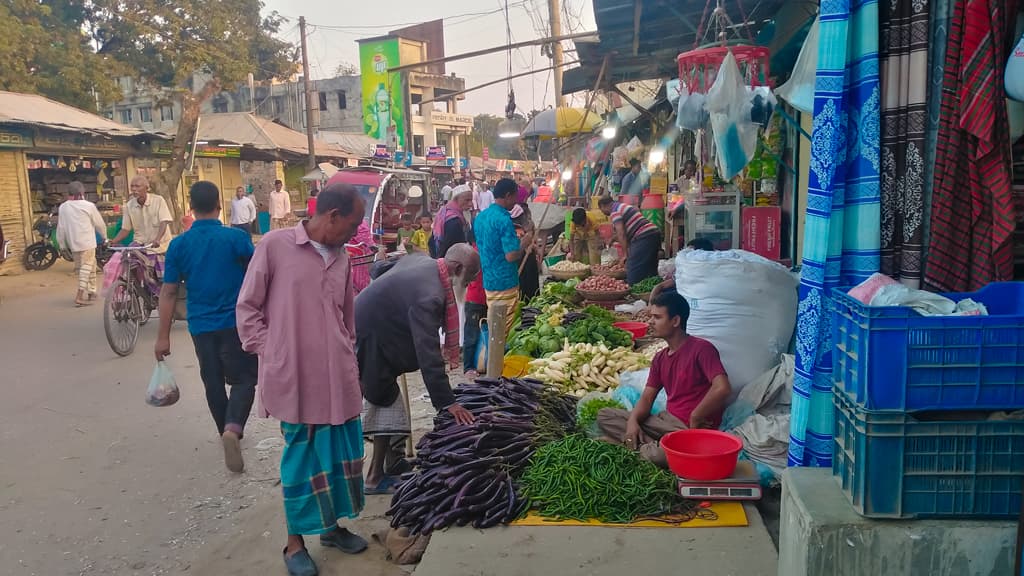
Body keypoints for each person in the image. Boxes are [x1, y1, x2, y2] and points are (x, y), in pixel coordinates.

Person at [236, 183, 369, 576]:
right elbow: (247, 307)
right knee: (301, 459)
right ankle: (294, 544)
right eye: (353, 223)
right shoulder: (276, 246)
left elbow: (347, 317)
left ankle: (330, 528)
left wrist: (349, 352)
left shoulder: (343, 257)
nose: (355, 231)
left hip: (337, 376)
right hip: (293, 377)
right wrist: (270, 349)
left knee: (340, 455)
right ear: (331, 216)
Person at [355, 245, 480, 493]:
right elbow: (429, 355)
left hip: (378, 328)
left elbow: (380, 268)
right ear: (457, 269)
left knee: (389, 399)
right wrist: (448, 403)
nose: (466, 287)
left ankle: (394, 463)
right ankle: (374, 477)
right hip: (370, 336)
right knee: (385, 403)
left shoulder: (424, 261)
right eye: (468, 281)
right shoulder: (430, 295)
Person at [155, 181, 257, 473]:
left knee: (212, 380)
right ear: (219, 206)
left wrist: (162, 337)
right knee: (244, 378)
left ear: (191, 207)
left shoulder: (179, 245)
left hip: (200, 324)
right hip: (235, 321)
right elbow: (257, 276)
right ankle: (233, 429)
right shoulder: (236, 238)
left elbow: (169, 292)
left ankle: (223, 429)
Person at [596, 291, 731, 467]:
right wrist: (632, 422)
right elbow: (647, 398)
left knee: (659, 456)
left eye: (657, 317)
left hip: (689, 428)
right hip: (664, 421)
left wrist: (697, 415)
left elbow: (723, 388)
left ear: (675, 321)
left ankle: (643, 447)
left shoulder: (701, 349)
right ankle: (652, 445)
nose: (651, 322)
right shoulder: (660, 358)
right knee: (605, 415)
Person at [474, 178, 534, 337]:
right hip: (505, 281)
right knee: (505, 329)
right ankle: (500, 359)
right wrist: (525, 242)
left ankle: (493, 357)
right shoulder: (503, 219)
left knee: (494, 321)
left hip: (488, 280)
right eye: (515, 197)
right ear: (508, 196)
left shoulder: (481, 217)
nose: (516, 202)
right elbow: (511, 255)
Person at [56, 181, 107, 306]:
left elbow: (60, 228)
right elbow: (99, 224)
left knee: (88, 266)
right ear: (81, 193)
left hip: (73, 244)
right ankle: (79, 295)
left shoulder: (63, 207)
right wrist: (105, 237)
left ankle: (92, 291)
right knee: (86, 268)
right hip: (87, 243)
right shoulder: (88, 206)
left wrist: (62, 245)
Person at [598, 195, 661, 285]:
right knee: (650, 268)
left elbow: (621, 233)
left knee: (633, 270)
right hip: (653, 233)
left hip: (643, 236)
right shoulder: (621, 206)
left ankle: (635, 291)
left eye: (601, 210)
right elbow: (628, 229)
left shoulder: (614, 211)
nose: (603, 213)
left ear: (603, 206)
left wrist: (625, 254)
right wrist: (612, 239)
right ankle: (652, 292)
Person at [110, 175, 174, 254]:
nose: (134, 189)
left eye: (137, 186)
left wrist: (157, 239)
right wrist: (113, 241)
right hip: (140, 246)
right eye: (132, 186)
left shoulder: (158, 200)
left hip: (160, 246)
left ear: (147, 188)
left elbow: (164, 222)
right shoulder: (129, 205)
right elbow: (125, 229)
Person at [649, 237, 714, 300]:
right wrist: (650, 305)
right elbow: (660, 286)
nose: (686, 256)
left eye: (689, 252)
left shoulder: (711, 276)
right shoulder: (685, 273)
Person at [432, 186, 472, 258]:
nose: (470, 204)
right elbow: (449, 247)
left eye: (471, 200)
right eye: (467, 200)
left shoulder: (445, 212)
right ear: (456, 199)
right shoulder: (454, 221)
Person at [511, 203, 540, 300]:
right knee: (522, 284)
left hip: (529, 258)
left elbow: (533, 239)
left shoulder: (529, 224)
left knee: (531, 284)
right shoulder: (511, 227)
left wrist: (533, 246)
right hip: (518, 258)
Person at [462, 267, 487, 379]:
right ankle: (468, 367)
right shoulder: (474, 253)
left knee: (484, 334)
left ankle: (481, 362)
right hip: (475, 299)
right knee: (471, 336)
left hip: (487, 296)